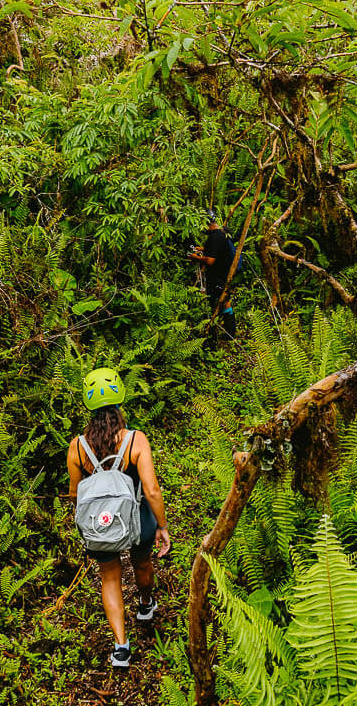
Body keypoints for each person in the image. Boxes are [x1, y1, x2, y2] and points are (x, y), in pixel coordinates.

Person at [66, 367, 171, 669]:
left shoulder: (77, 447)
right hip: (137, 518)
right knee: (142, 562)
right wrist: (162, 526)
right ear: (120, 399)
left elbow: (75, 495)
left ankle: (121, 647)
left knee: (109, 577)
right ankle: (145, 605)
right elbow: (150, 489)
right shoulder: (136, 440)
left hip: (99, 523)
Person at [190, 207, 236, 337]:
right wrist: (203, 248)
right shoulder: (223, 231)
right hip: (226, 272)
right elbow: (219, 249)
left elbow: (210, 260)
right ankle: (227, 332)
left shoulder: (215, 237)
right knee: (224, 300)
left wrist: (196, 257)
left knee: (218, 301)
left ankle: (223, 333)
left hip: (219, 275)